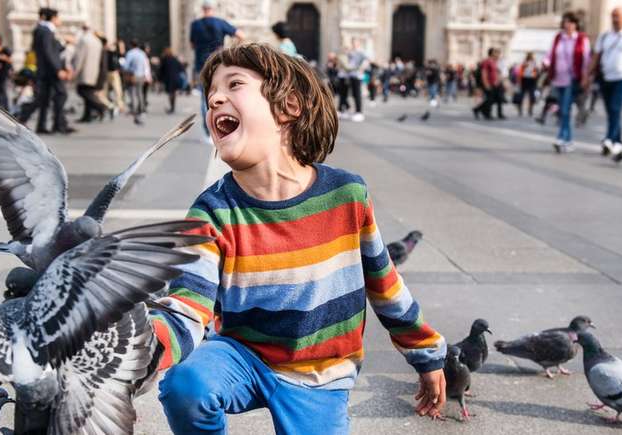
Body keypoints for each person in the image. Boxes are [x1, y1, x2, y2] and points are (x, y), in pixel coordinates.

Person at [151, 42, 447, 435]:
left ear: (289, 106)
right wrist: (136, 349)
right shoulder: (213, 210)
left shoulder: (346, 195)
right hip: (244, 355)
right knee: (187, 384)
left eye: (234, 84)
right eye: (210, 96)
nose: (215, 99)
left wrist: (426, 354)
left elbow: (385, 285)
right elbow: (188, 303)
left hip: (320, 375)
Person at [584, 7, 622, 163]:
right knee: (611, 112)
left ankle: (608, 139)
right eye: (613, 16)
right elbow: (596, 57)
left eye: (618, 16)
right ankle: (618, 144)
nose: (615, 19)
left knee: (615, 108)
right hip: (606, 78)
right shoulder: (605, 36)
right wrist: (587, 75)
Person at [190, 0, 245, 139]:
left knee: (204, 99)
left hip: (201, 65)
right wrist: (229, 51)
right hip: (218, 64)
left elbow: (191, 45)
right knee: (222, 97)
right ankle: (223, 129)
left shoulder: (195, 25)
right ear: (212, 9)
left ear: (203, 9)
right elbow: (241, 35)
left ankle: (208, 132)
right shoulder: (220, 22)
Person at [547, 12, 590, 153]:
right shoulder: (558, 38)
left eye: (571, 22)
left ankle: (561, 137)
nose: (567, 25)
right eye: (565, 22)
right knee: (563, 110)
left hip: (573, 79)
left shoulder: (582, 39)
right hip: (558, 78)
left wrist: (585, 77)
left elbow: (586, 59)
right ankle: (569, 140)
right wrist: (545, 63)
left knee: (565, 109)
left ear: (576, 24)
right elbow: (550, 54)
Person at [32, 7, 74, 134]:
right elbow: (48, 52)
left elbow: (52, 49)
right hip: (50, 71)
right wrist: (58, 70)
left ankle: (45, 125)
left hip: (47, 70)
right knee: (61, 94)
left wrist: (64, 42)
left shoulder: (43, 30)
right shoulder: (46, 31)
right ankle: (59, 124)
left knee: (45, 98)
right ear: (53, 18)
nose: (60, 20)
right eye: (58, 17)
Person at [72, 25, 108, 123]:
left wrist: (75, 71)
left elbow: (80, 58)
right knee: (88, 93)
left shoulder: (84, 40)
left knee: (83, 91)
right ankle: (87, 116)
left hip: (85, 72)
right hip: (94, 72)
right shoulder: (97, 42)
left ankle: (102, 107)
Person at [124, 39, 150, 125]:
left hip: (133, 76)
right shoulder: (142, 53)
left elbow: (126, 66)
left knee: (132, 93)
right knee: (140, 93)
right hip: (141, 76)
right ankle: (141, 110)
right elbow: (145, 65)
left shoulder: (130, 53)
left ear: (131, 45)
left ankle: (134, 110)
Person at [473, 48, 505, 120]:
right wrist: (486, 83)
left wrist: (498, 81)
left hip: (495, 83)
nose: (497, 54)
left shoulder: (494, 62)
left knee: (493, 99)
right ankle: (487, 114)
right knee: (490, 99)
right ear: (491, 53)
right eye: (495, 53)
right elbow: (484, 73)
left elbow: (496, 73)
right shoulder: (487, 61)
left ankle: (477, 109)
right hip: (489, 83)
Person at [158, 47, 184, 114]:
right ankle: (173, 107)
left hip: (168, 79)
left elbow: (161, 70)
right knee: (173, 93)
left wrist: (160, 79)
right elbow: (181, 68)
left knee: (170, 93)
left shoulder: (164, 59)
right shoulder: (175, 59)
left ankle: (172, 107)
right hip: (176, 78)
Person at [517, 52, 539, 116]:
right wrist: (519, 81)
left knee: (532, 96)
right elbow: (520, 72)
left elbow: (536, 72)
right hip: (524, 80)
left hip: (531, 80)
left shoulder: (534, 63)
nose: (531, 57)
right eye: (530, 55)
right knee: (521, 96)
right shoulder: (524, 63)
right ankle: (520, 110)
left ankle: (530, 110)